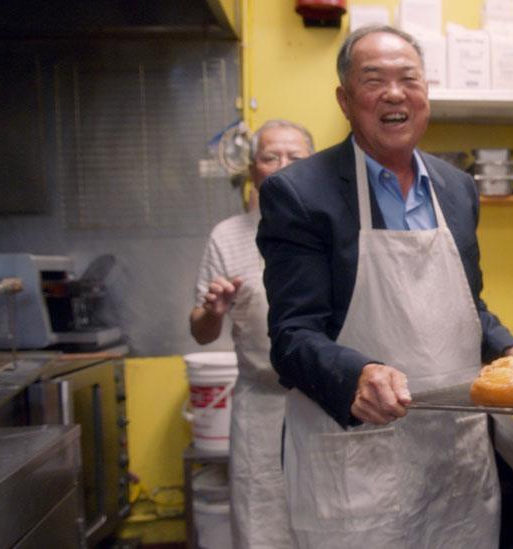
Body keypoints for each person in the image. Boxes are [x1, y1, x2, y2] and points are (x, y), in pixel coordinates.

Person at [257, 25, 513, 547]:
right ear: (345, 100)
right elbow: (292, 336)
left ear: (425, 95)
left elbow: (467, 308)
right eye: (373, 80)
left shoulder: (457, 188)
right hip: (357, 467)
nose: (394, 93)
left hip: (454, 463)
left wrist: (510, 346)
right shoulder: (301, 193)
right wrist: (358, 374)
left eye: (408, 79)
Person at [190, 119, 313, 549]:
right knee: (264, 530)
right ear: (253, 168)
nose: (283, 166)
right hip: (261, 409)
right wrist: (212, 310)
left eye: (295, 157)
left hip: (326, 405)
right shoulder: (228, 237)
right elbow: (202, 333)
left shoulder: (330, 229)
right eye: (270, 156)